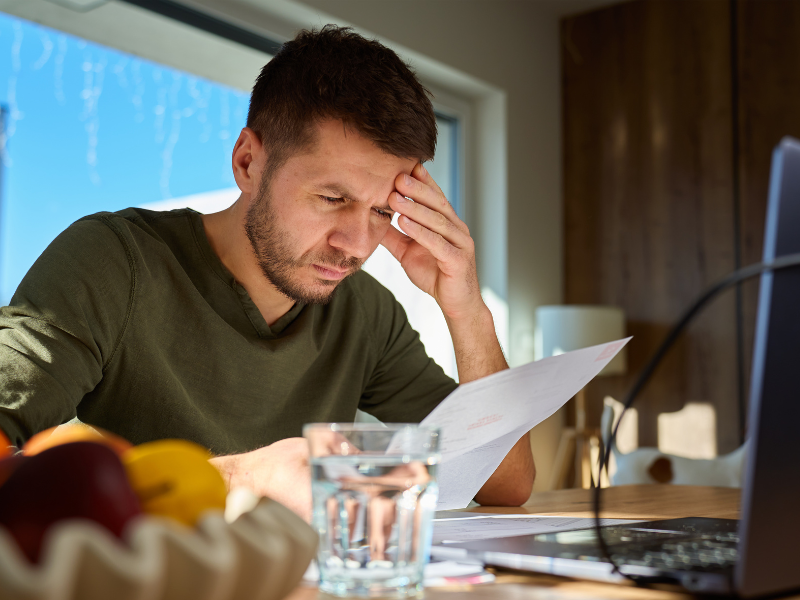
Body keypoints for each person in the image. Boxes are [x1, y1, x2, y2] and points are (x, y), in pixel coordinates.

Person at [0, 25, 534, 519]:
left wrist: (465, 305)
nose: (356, 246)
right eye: (331, 197)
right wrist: (243, 477)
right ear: (248, 163)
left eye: (380, 211)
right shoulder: (113, 261)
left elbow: (506, 483)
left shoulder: (365, 313)